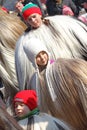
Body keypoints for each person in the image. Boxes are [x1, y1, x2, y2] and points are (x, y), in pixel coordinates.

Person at [15, 2, 87, 90]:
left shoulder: (57, 23)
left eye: (34, 17)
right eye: (30, 19)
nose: (33, 21)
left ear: (39, 14)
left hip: (70, 63)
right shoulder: (27, 38)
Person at [23, 37, 87, 129]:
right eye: (37, 56)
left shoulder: (62, 67)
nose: (42, 58)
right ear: (32, 59)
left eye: (43, 53)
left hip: (72, 107)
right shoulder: (34, 80)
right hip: (59, 115)